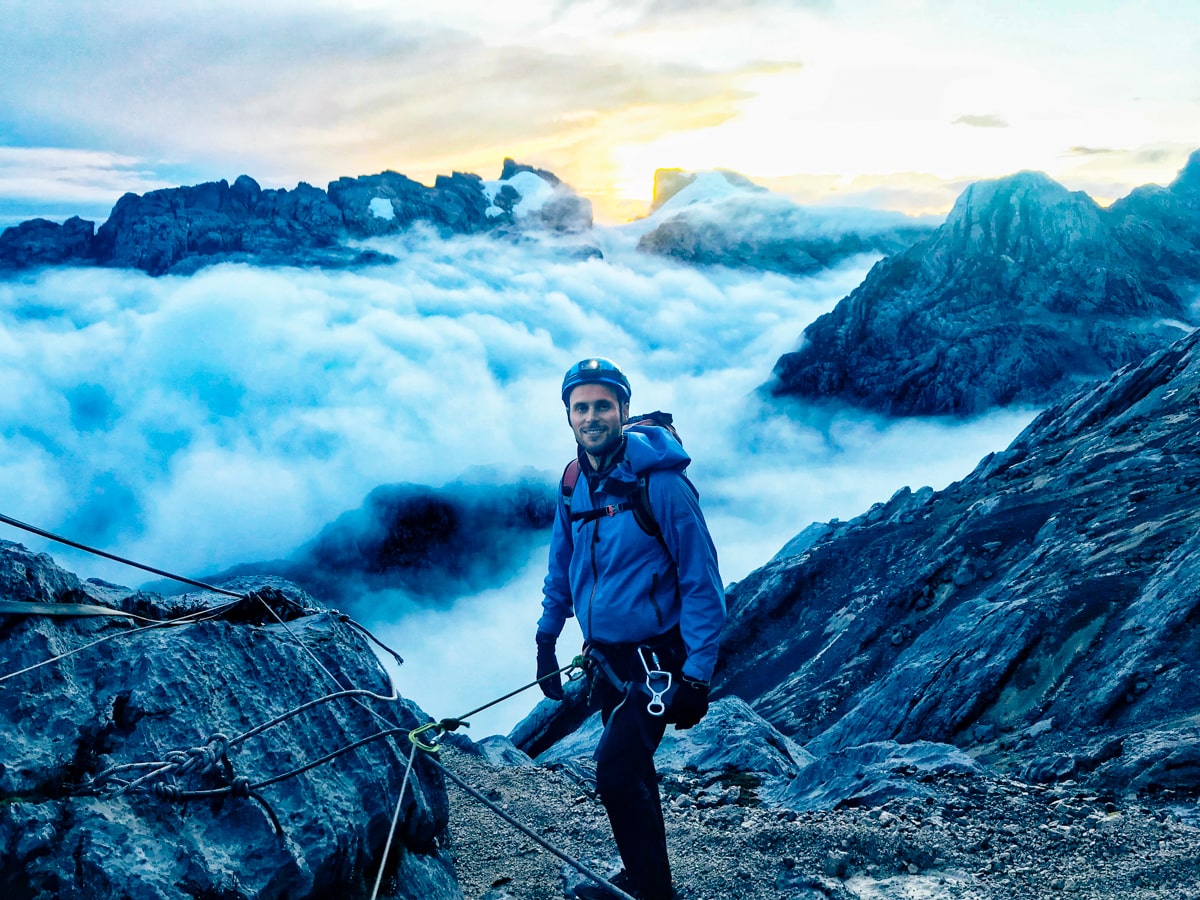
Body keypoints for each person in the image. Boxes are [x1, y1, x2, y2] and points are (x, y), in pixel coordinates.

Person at [536, 357, 726, 900]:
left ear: (623, 409)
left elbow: (701, 580)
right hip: (606, 658)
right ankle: (649, 879)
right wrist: (547, 636)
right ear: (568, 416)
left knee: (615, 774)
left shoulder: (661, 487)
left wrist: (696, 676)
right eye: (580, 408)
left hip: (656, 664)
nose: (591, 417)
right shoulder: (575, 482)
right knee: (633, 770)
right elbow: (562, 561)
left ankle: (652, 893)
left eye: (602, 405)